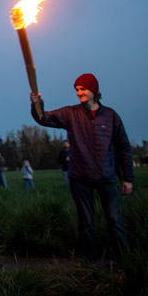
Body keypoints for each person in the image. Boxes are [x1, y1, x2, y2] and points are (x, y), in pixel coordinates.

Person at [31, 73, 133, 260]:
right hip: (80, 177)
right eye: (77, 90)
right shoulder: (71, 113)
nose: (80, 92)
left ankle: (125, 259)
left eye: (83, 89)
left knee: (114, 221)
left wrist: (127, 178)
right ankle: (87, 262)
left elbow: (124, 148)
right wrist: (37, 103)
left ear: (94, 91)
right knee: (86, 222)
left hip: (107, 177)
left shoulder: (110, 116)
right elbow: (43, 118)